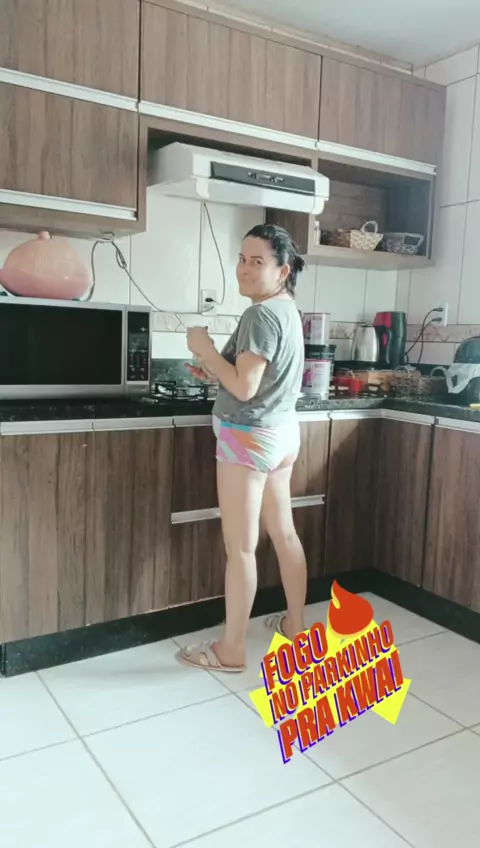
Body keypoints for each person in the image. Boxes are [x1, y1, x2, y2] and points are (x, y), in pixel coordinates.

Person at [178, 223, 308, 674]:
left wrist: (204, 347)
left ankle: (231, 651)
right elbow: (251, 377)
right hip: (281, 434)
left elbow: (246, 387)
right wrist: (214, 367)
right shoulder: (286, 309)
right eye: (242, 258)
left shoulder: (259, 316)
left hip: (248, 439)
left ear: (283, 270)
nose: (245, 269)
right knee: (285, 534)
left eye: (258, 261)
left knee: (241, 548)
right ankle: (295, 625)